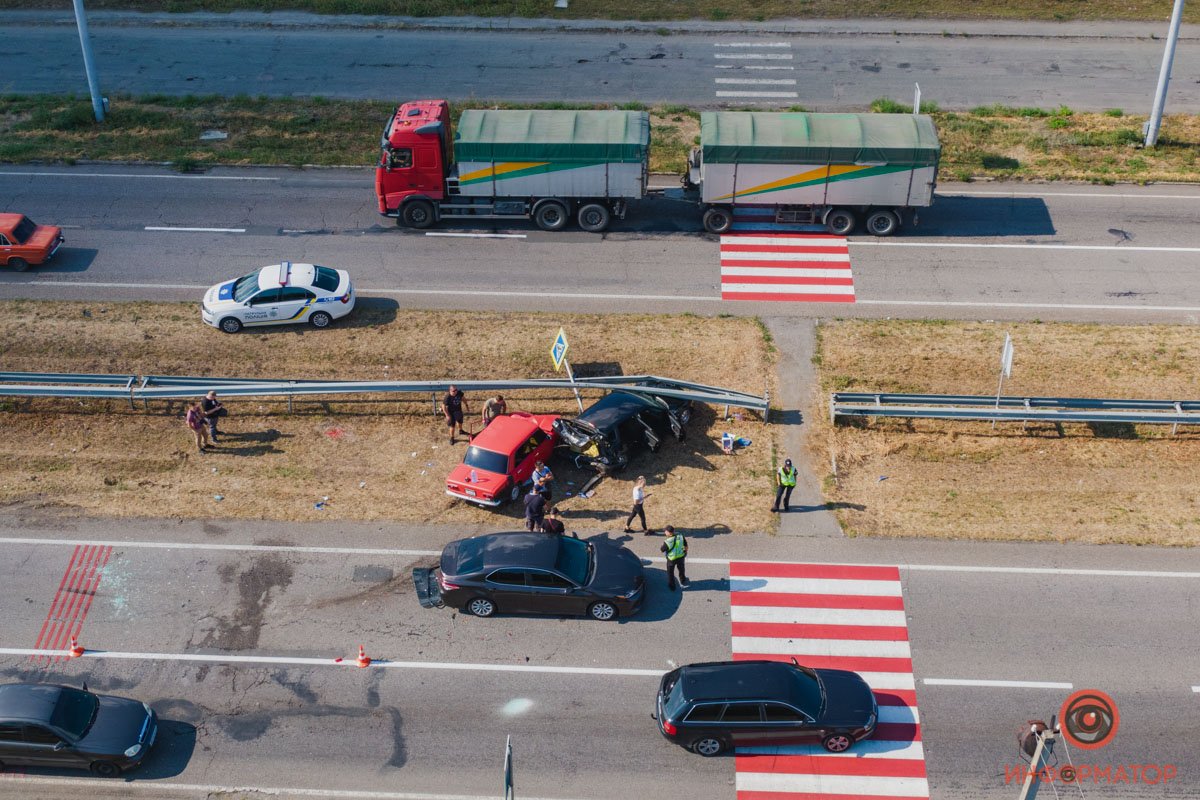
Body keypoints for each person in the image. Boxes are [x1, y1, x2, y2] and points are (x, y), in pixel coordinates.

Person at [660, 525, 689, 591]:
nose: (665, 532)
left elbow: (662, 550)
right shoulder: (681, 536)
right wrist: (685, 552)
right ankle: (683, 579)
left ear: (669, 533)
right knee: (681, 569)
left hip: (671, 559)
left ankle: (672, 586)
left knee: (670, 573)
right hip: (681, 557)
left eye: (665, 531)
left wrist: (662, 545)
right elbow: (686, 545)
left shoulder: (667, 541)